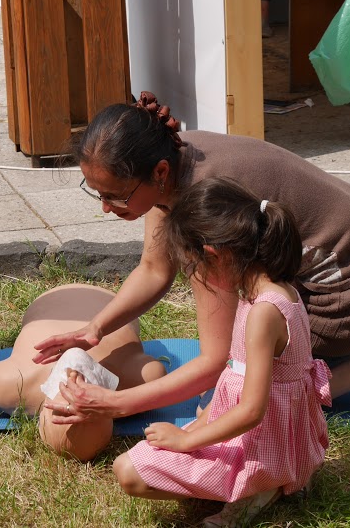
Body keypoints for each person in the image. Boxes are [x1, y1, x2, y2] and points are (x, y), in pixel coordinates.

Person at [36, 92, 350, 432]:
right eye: (98, 194)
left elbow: (215, 361)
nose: (107, 208)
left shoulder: (203, 215)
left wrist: (116, 403)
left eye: (116, 196)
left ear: (158, 173)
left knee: (230, 406)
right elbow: (154, 269)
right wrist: (95, 329)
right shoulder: (170, 156)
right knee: (226, 390)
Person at [113, 177, 330, 526]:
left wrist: (187, 440)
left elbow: (251, 412)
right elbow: (237, 377)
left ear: (213, 255)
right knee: (140, 460)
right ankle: (268, 482)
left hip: (261, 448)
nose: (194, 276)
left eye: (192, 267)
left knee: (129, 472)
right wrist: (199, 425)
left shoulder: (263, 313)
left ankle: (257, 488)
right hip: (277, 438)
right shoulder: (274, 288)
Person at [0, 284, 167, 461]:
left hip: (48, 302)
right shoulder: (135, 383)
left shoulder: (11, 387)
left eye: (63, 402)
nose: (73, 376)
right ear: (109, 412)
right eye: (83, 401)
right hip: (119, 303)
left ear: (42, 411)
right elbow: (156, 375)